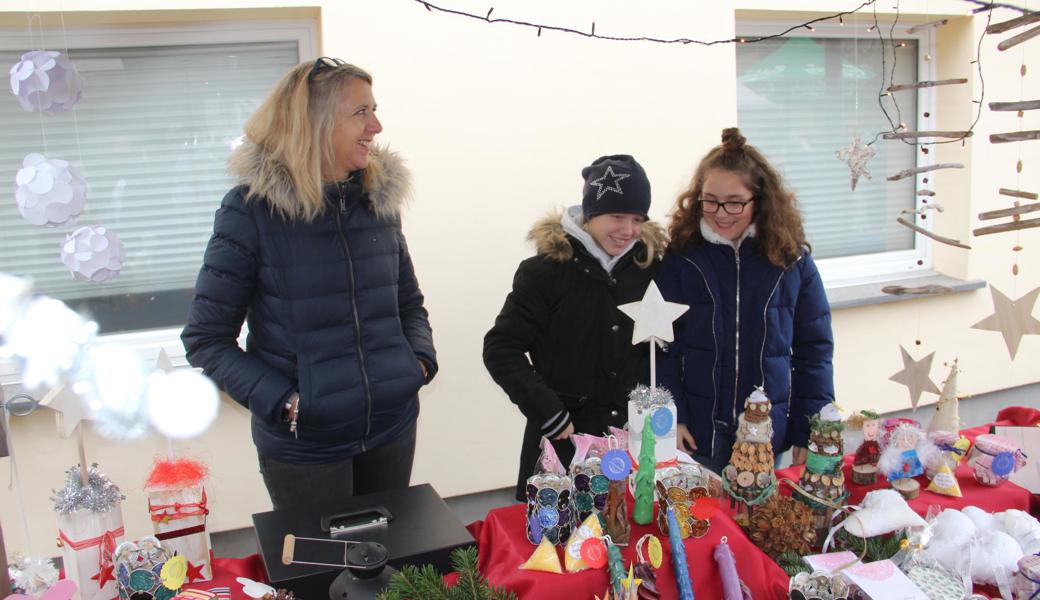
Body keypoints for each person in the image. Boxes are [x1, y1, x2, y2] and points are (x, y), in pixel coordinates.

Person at [181, 58, 436, 510]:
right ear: (314, 123)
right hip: (306, 449)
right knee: (322, 575)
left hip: (392, 428)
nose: (376, 126)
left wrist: (416, 365)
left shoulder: (378, 203)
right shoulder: (251, 212)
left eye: (374, 111)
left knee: (393, 564)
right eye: (361, 112)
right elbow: (207, 340)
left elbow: (408, 302)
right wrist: (287, 403)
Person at [483, 155, 666, 502]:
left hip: (633, 446)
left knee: (628, 541)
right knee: (555, 545)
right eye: (617, 216)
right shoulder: (545, 273)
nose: (628, 230)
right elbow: (500, 348)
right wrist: (547, 411)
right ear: (590, 212)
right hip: (563, 446)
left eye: (637, 219)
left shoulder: (651, 268)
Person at [657, 128, 834, 474]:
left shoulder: (791, 262)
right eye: (710, 200)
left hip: (765, 435)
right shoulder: (683, 258)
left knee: (758, 524)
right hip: (697, 433)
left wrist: (808, 428)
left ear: (760, 200)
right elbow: (662, 346)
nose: (721, 212)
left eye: (735, 202)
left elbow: (814, 352)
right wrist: (670, 416)